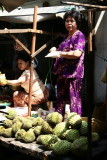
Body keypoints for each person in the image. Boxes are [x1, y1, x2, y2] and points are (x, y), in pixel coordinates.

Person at [49, 8, 86, 116]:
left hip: (73, 74)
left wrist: (60, 53)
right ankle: (57, 123)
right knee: (60, 102)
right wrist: (54, 50)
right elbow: (61, 51)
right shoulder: (66, 37)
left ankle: (76, 127)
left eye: (72, 21)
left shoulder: (79, 36)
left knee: (74, 102)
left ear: (77, 22)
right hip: (62, 74)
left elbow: (76, 54)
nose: (69, 23)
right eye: (67, 21)